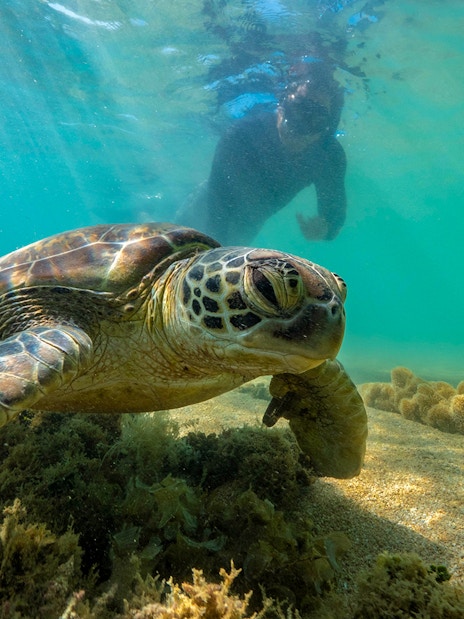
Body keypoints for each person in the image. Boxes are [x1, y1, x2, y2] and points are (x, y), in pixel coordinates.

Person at [178, 64, 347, 245]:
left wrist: (325, 228)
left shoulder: (329, 156)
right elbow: (217, 207)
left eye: (316, 119)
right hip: (209, 206)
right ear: (281, 106)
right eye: (298, 109)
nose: (300, 128)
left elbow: (333, 214)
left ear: (327, 129)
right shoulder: (241, 136)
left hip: (248, 224)